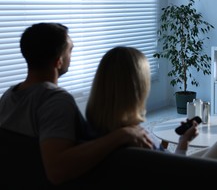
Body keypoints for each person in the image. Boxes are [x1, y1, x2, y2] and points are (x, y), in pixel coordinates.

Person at [0, 23, 154, 186]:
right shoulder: (55, 101)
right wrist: (122, 135)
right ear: (58, 61)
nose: (71, 55)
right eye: (70, 50)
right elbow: (57, 171)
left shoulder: (8, 96)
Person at [86, 46, 217, 163]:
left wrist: (182, 142)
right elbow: (170, 174)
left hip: (172, 166)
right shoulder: (133, 139)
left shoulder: (98, 131)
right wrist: (181, 147)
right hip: (178, 176)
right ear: (138, 89)